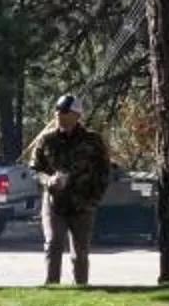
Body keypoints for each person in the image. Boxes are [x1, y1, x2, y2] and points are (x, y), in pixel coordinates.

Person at [29, 94, 114, 287]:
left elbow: (104, 171)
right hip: (54, 203)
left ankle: (81, 286)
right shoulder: (46, 140)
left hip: (82, 203)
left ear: (77, 115)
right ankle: (52, 286)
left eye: (65, 113)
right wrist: (48, 180)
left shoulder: (93, 140)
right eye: (58, 112)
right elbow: (34, 170)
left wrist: (95, 198)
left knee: (80, 251)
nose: (60, 116)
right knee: (53, 245)